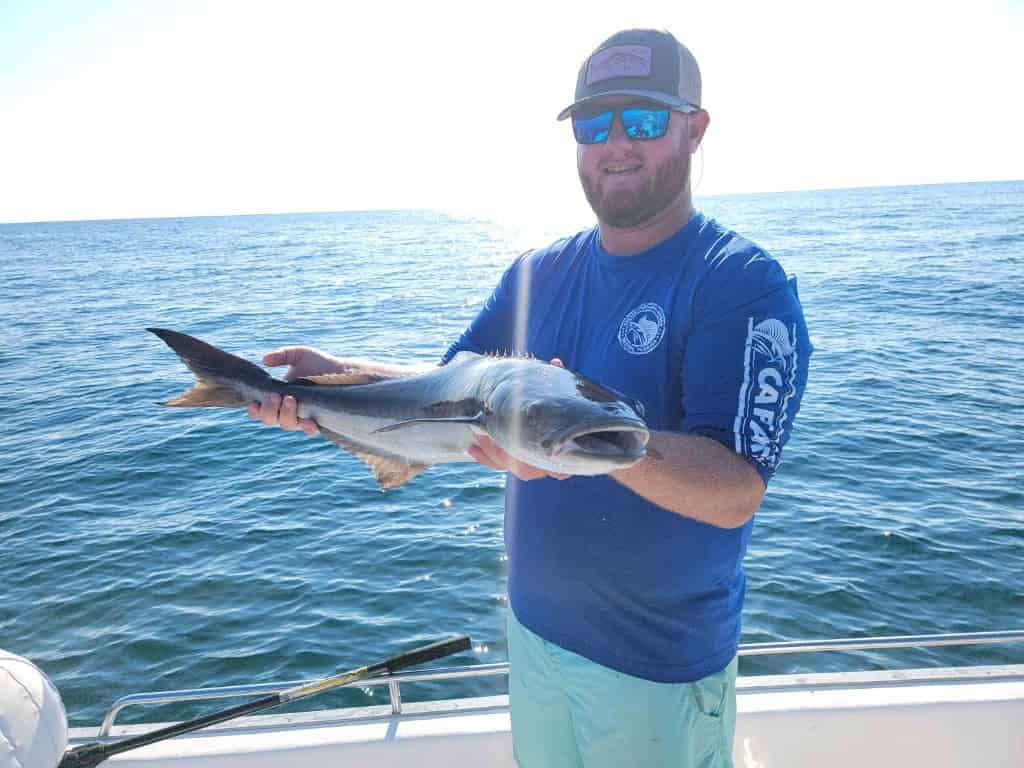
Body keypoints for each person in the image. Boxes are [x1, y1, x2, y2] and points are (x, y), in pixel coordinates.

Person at [249, 28, 810, 768]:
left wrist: (578, 442)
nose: (616, 143)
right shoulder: (536, 273)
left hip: (656, 665)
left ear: (695, 129)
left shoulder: (739, 283)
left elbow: (734, 491)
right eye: (593, 122)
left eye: (643, 120)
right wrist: (330, 381)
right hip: (535, 637)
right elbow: (448, 390)